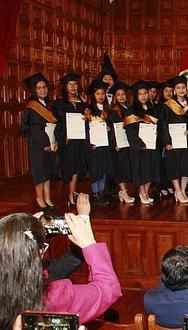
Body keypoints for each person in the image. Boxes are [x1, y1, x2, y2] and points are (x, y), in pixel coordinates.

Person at [0, 194, 122, 328]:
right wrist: (89, 243)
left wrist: (25, 232)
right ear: (39, 253)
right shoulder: (55, 295)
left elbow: (50, 270)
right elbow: (108, 289)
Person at [20, 73, 58, 211]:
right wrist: (45, 144)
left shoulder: (48, 105)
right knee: (40, 172)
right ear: (34, 90)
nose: (43, 90)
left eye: (44, 87)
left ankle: (47, 198)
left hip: (50, 143)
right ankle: (39, 199)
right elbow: (35, 128)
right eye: (39, 87)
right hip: (38, 145)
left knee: (47, 171)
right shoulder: (32, 106)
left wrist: (55, 142)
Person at [54, 73, 89, 207]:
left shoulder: (81, 101)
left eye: (75, 84)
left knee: (78, 166)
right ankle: (70, 193)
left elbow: (87, 119)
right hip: (68, 140)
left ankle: (72, 192)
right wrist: (63, 137)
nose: (73, 87)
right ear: (65, 86)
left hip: (79, 139)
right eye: (70, 84)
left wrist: (86, 114)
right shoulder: (60, 103)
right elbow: (59, 122)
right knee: (70, 167)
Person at [125, 80, 160, 204]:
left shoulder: (152, 109)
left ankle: (145, 190)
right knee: (141, 169)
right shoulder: (130, 111)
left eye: (145, 93)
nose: (143, 96)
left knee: (151, 169)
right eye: (140, 94)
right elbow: (129, 131)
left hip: (151, 145)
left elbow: (157, 126)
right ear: (136, 96)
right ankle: (142, 192)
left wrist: (157, 134)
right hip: (139, 147)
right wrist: (140, 144)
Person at [160, 76, 188, 203]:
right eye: (178, 88)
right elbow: (163, 124)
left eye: (183, 87)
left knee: (186, 166)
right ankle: (177, 191)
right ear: (174, 90)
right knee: (174, 166)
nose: (181, 90)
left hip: (186, 140)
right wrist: (167, 141)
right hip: (173, 142)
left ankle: (183, 190)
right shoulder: (167, 105)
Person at [86, 79, 114, 206]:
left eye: (103, 94)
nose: (101, 96)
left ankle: (101, 193)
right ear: (93, 95)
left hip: (105, 145)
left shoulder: (108, 110)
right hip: (94, 146)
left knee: (103, 169)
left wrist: (109, 129)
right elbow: (85, 128)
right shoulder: (88, 110)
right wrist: (89, 143)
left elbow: (113, 126)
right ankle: (95, 194)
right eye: (98, 94)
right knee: (95, 170)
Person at [106, 81, 135, 203]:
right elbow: (111, 130)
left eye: (123, 94)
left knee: (127, 167)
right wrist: (114, 144)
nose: (121, 96)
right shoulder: (113, 111)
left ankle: (124, 191)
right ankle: (123, 191)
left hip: (129, 143)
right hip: (119, 144)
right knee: (121, 168)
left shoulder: (130, 109)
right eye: (118, 95)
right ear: (115, 97)